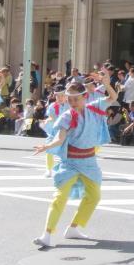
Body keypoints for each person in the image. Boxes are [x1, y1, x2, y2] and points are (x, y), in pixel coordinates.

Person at [31, 72, 117, 247]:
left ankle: (73, 228)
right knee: (60, 197)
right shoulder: (66, 116)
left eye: (75, 99)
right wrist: (46, 147)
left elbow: (113, 97)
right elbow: (60, 138)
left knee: (94, 196)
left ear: (85, 97)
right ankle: (46, 234)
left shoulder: (94, 108)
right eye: (69, 99)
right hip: (69, 162)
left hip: (89, 161)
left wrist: (107, 84)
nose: (72, 102)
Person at [39, 91, 71, 177]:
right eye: (58, 96)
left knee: (66, 152)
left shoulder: (70, 104)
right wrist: (46, 121)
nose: (60, 98)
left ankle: (64, 169)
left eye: (62, 96)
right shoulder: (52, 106)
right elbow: (53, 117)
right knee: (49, 150)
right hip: (54, 131)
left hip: (67, 131)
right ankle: (49, 170)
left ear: (66, 96)